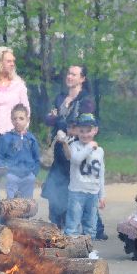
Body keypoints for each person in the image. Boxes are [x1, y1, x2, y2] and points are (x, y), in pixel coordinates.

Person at [43, 65, 96, 229]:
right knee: (55, 186)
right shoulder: (60, 98)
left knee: (74, 188)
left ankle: (83, 228)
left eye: (74, 74)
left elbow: (85, 124)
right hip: (58, 149)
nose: (69, 76)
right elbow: (48, 120)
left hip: (75, 149)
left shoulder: (86, 100)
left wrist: (59, 121)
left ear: (82, 79)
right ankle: (55, 225)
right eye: (68, 73)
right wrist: (55, 120)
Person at [58, 113, 105, 240]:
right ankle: (71, 246)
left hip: (93, 192)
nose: (85, 134)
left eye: (88, 131)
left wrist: (102, 195)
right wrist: (89, 147)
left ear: (95, 130)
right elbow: (76, 160)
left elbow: (101, 174)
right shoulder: (74, 146)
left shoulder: (100, 151)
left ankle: (89, 249)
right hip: (77, 191)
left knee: (91, 223)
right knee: (73, 221)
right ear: (77, 131)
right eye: (81, 131)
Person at [0, 104, 40, 199]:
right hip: (12, 176)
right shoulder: (6, 138)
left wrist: (34, 173)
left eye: (21, 118)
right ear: (11, 120)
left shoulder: (31, 138)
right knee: (12, 205)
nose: (17, 121)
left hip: (28, 176)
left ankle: (25, 214)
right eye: (15, 118)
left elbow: (37, 158)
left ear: (27, 120)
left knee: (27, 205)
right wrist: (6, 173)